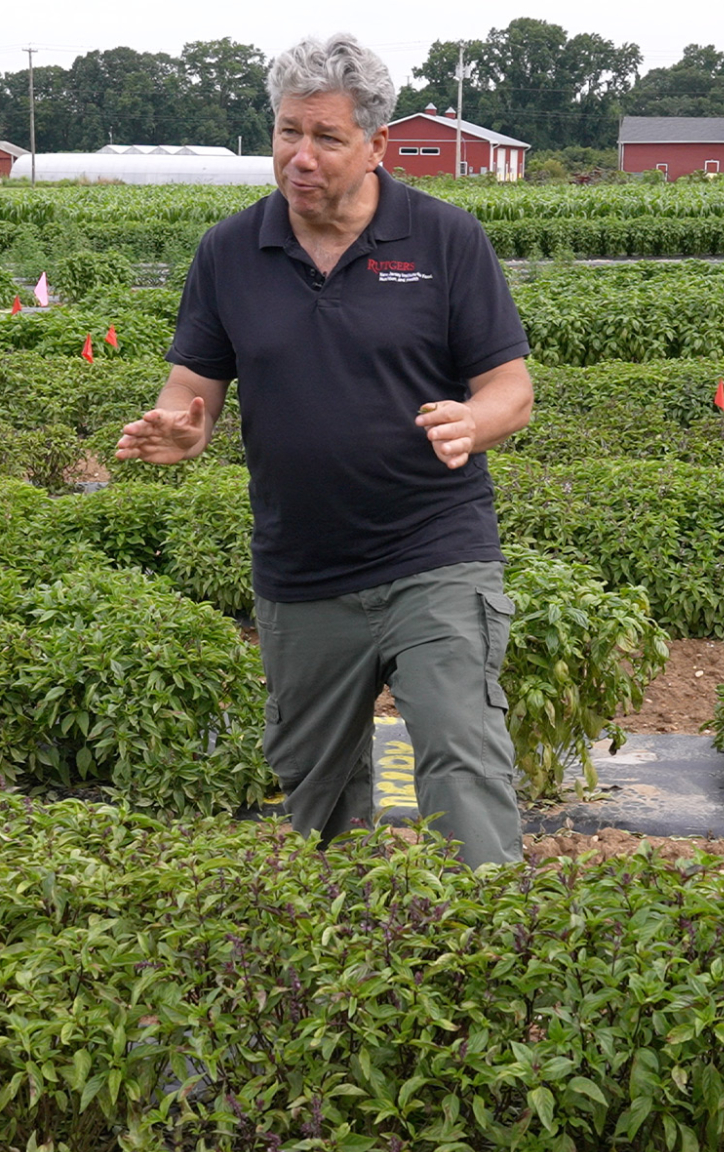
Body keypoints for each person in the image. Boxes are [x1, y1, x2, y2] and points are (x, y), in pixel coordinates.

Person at [115, 34, 534, 866]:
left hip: (434, 550)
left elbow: (510, 389)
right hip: (301, 570)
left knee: (461, 754)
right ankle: (339, 957)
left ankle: (489, 942)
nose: (300, 159)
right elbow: (189, 389)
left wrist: (472, 422)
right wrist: (180, 428)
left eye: (326, 138)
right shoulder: (230, 252)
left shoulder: (445, 239)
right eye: (286, 134)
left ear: (376, 144)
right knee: (315, 789)